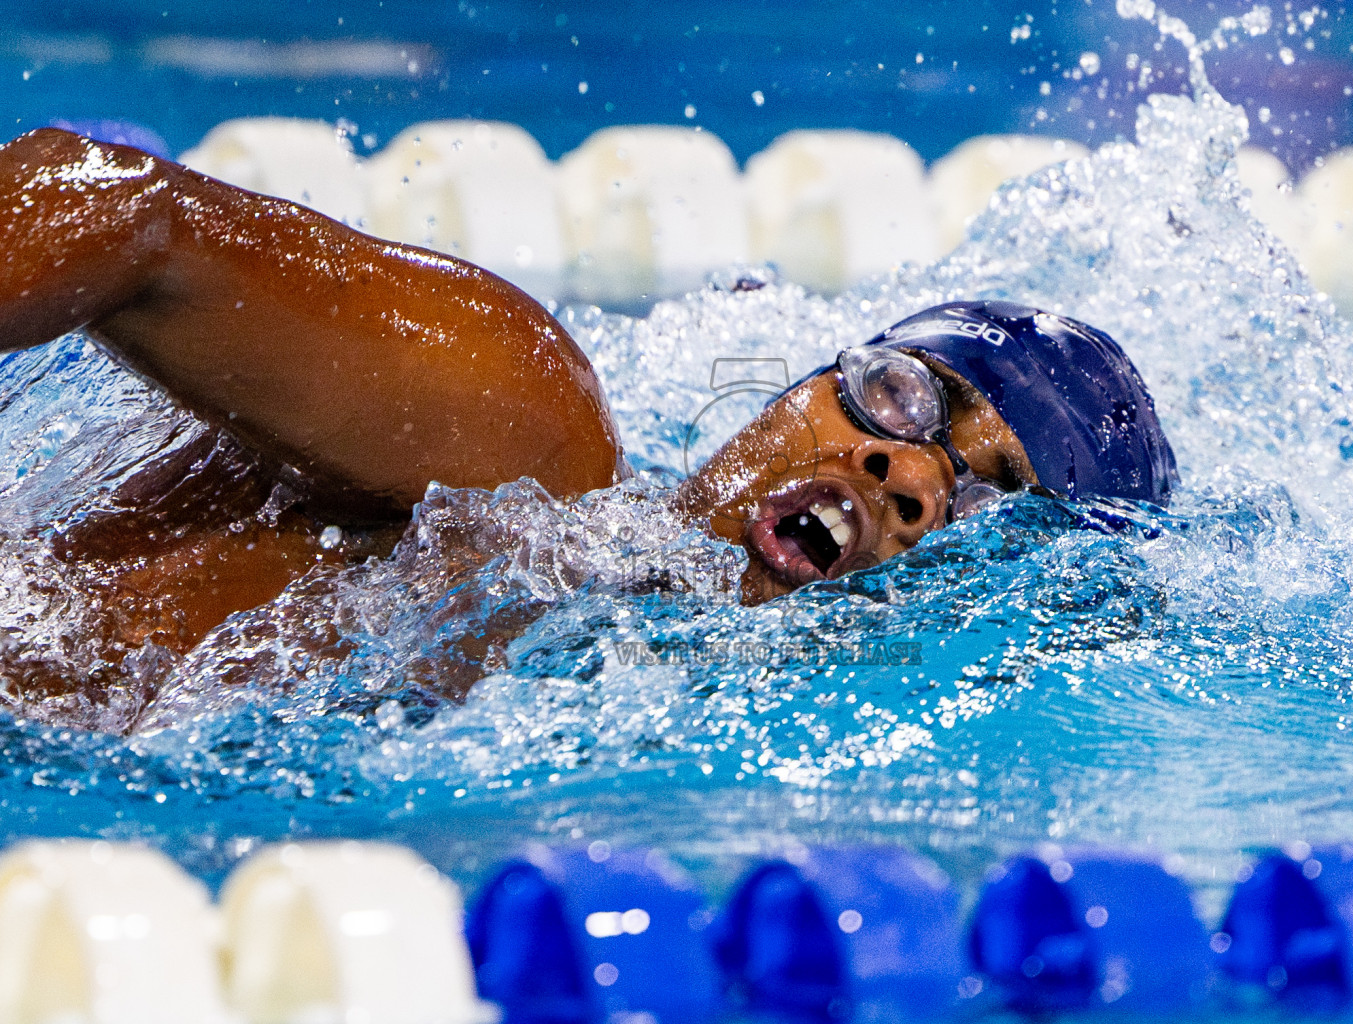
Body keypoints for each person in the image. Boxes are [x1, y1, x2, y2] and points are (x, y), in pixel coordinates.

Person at [0, 128, 1176, 709]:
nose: (904, 469)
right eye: (905, 396)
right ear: (796, 384)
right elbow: (115, 210)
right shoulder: (529, 443)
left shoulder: (650, 709)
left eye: (979, 496)